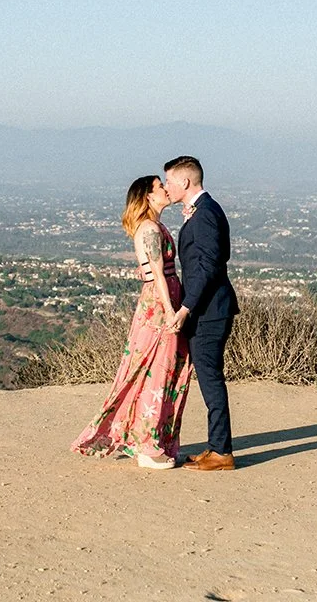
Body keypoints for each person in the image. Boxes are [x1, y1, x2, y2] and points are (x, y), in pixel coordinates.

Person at [71, 175, 192, 469]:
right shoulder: (150, 228)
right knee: (155, 372)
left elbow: (152, 270)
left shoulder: (154, 227)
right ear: (148, 196)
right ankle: (147, 446)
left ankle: (148, 439)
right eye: (160, 187)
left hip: (161, 300)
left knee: (157, 370)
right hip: (160, 305)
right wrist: (170, 309)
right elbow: (158, 274)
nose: (166, 189)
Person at [163, 155, 240, 471]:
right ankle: (216, 447)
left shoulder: (205, 213)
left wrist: (185, 308)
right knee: (209, 377)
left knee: (210, 379)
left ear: (184, 181)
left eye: (169, 181)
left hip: (209, 310)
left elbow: (208, 267)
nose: (167, 186)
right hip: (209, 308)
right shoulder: (204, 211)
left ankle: (222, 452)